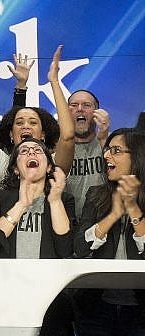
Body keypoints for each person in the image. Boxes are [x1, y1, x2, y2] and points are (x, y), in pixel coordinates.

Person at [0, 137, 76, 336]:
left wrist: (55, 200)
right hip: (5, 296)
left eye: (38, 150)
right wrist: (21, 205)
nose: (31, 153)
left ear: (49, 167)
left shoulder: (64, 200)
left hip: (49, 297)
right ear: (16, 169)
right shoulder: (0, 198)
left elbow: (65, 249)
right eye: (24, 151)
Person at [73, 128, 145, 336]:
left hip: (140, 310)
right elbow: (79, 247)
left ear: (138, 156)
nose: (106, 156)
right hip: (96, 306)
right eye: (106, 150)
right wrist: (113, 215)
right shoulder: (96, 194)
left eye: (116, 150)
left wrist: (132, 208)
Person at [0, 38, 75, 184]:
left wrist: (54, 81)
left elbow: (67, 136)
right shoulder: (3, 165)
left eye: (33, 122)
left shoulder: (52, 165)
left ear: (43, 135)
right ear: (11, 134)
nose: (25, 126)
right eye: (19, 123)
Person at [65, 89, 111, 220]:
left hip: (103, 221)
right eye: (74, 105)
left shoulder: (112, 143)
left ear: (97, 113)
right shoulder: (57, 148)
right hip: (67, 223)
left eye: (86, 105)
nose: (80, 109)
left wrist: (104, 139)